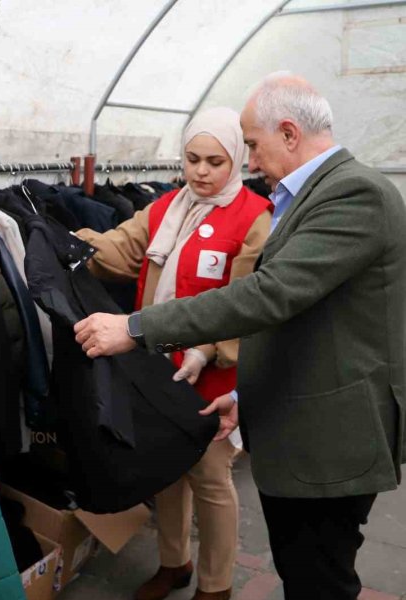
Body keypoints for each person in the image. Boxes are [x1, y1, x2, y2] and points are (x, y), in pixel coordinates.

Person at [74, 72, 406, 600]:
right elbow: (304, 323)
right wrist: (246, 396)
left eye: (251, 145)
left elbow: (267, 296)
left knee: (319, 578)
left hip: (329, 444)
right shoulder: (307, 194)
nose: (250, 160)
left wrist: (136, 328)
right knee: (305, 571)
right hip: (296, 423)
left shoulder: (353, 193)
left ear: (290, 133)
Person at [74, 107, 270, 600]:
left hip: (215, 375)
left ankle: (217, 585)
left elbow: (250, 304)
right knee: (166, 471)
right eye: (192, 159)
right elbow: (120, 250)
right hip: (158, 369)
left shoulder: (254, 220)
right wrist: (68, 241)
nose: (201, 172)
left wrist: (207, 352)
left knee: (209, 479)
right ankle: (174, 563)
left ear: (237, 163)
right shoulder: (164, 210)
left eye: (214, 162)